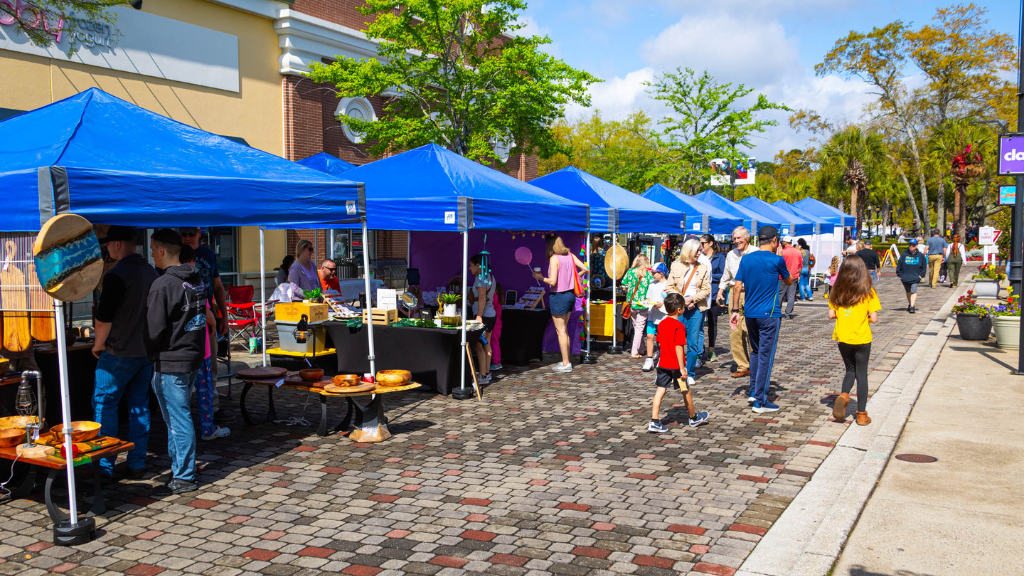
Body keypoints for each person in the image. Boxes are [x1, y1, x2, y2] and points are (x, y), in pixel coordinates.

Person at [91, 226, 158, 480]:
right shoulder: (151, 271)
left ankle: (104, 466)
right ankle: (137, 462)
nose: (107, 248)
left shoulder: (117, 275)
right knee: (139, 406)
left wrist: (98, 344)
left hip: (118, 352)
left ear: (117, 244)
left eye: (108, 244)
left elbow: (104, 318)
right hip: (145, 353)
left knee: (105, 405)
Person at [145, 229, 206, 496]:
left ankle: (184, 475)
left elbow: (154, 330)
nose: (151, 256)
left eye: (152, 250)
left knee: (178, 419)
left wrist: (147, 351)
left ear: (161, 250)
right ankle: (180, 468)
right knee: (176, 417)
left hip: (171, 360)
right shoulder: (196, 278)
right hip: (192, 355)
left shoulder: (163, 284)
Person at [732, 226, 793, 414]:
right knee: (766, 356)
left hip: (749, 313)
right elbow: (789, 281)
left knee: (756, 353)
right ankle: (760, 401)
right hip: (769, 314)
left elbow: (736, 286)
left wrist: (735, 310)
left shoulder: (746, 259)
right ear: (775, 240)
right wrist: (780, 258)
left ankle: (753, 391)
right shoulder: (777, 260)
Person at [179, 227, 231, 425]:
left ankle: (212, 407)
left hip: (208, 319)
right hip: (184, 322)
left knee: (211, 367)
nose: (187, 237)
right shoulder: (176, 253)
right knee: (185, 371)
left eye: (191, 234)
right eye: (183, 234)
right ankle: (185, 411)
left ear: (199, 233)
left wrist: (224, 316)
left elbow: (217, 286)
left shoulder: (207, 253)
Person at [828, 255, 880, 426]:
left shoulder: (837, 290)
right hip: (861, 337)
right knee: (862, 374)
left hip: (843, 337)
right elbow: (874, 318)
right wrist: (863, 317)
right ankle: (862, 415)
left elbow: (831, 314)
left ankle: (844, 395)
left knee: (850, 369)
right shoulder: (868, 291)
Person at [647, 293, 709, 433]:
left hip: (663, 363)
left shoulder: (661, 324)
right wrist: (682, 368)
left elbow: (660, 342)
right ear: (679, 310)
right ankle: (693, 417)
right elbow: (679, 347)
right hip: (675, 365)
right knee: (685, 390)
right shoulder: (679, 326)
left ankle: (654, 420)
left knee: (660, 390)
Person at [534, 235, 587, 373]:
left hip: (558, 296)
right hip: (570, 295)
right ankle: (566, 360)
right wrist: (575, 278)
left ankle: (566, 363)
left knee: (561, 331)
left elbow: (552, 281)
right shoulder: (570, 255)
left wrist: (540, 278)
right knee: (564, 331)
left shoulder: (554, 258)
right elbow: (585, 269)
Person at [667, 238, 711, 387]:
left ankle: (690, 372)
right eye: (697, 250)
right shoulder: (676, 265)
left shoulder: (703, 267)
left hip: (696, 308)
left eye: (700, 250)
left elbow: (706, 290)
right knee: (676, 341)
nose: (699, 253)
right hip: (679, 308)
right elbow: (669, 287)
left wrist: (692, 299)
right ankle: (675, 371)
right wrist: (682, 300)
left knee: (692, 342)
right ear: (689, 251)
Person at [717, 227, 757, 378]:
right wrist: (720, 290)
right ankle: (742, 365)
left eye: (739, 238)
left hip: (751, 293)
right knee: (735, 331)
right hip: (735, 293)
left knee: (751, 330)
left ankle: (755, 364)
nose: (736, 241)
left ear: (747, 238)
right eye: (734, 238)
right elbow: (726, 274)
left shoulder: (756, 252)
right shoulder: (731, 255)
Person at [468, 253, 497, 384]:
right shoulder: (490, 276)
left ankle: (483, 375)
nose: (469, 268)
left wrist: (478, 316)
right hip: (491, 315)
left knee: (478, 346)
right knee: (487, 344)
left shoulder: (481, 278)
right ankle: (486, 373)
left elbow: (481, 297)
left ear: (478, 265)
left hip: (483, 315)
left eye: (471, 265)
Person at [622, 254, 652, 359]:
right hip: (643, 304)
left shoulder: (630, 272)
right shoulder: (648, 274)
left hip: (631, 303)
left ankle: (641, 348)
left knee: (637, 327)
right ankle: (634, 351)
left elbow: (624, 286)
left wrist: (629, 291)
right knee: (639, 328)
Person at [701, 235, 725, 363]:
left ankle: (711, 349)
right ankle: (700, 348)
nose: (701, 246)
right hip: (701, 294)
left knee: (712, 322)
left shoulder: (719, 257)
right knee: (698, 323)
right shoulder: (699, 257)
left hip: (714, 293)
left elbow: (723, 275)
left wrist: (709, 276)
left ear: (710, 243)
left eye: (703, 243)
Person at [642, 263, 669, 372]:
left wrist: (662, 304)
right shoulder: (652, 284)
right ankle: (649, 359)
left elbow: (670, 301)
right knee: (649, 336)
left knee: (662, 339)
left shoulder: (668, 285)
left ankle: (662, 357)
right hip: (651, 314)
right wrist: (646, 302)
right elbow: (648, 298)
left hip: (663, 316)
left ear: (661, 274)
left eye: (654, 273)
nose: (652, 275)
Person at [896, 239, 926, 313]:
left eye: (913, 245)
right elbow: (899, 266)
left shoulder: (921, 256)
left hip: (915, 277)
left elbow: (924, 267)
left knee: (913, 291)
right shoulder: (904, 255)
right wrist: (901, 276)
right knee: (908, 291)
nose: (911, 246)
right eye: (910, 245)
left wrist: (920, 276)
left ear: (917, 246)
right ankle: (910, 304)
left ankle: (912, 306)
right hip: (905, 277)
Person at [779, 237, 803, 319]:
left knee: (780, 295)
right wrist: (798, 275)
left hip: (782, 276)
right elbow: (800, 266)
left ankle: (777, 312)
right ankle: (788, 314)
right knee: (791, 295)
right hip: (794, 276)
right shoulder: (798, 252)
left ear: (785, 242)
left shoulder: (782, 252)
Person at [490, 282, 503, 372]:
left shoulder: (494, 297)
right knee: (496, 344)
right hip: (498, 323)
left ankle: (495, 363)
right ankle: (498, 362)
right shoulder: (499, 299)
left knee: (493, 344)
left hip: (494, 324)